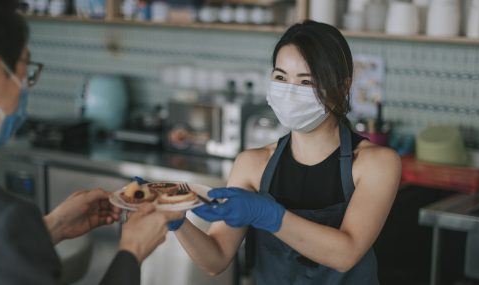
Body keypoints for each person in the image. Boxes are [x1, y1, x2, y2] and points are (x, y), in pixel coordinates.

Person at [0, 0, 173, 284]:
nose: (24, 88)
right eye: (25, 72)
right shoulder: (0, 219)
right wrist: (131, 252)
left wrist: (52, 227)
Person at [169, 20, 401, 284]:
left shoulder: (376, 164)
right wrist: (177, 222)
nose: (290, 91)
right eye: (280, 77)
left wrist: (268, 214)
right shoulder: (252, 164)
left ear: (343, 88)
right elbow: (216, 258)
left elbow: (345, 253)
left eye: (306, 81)